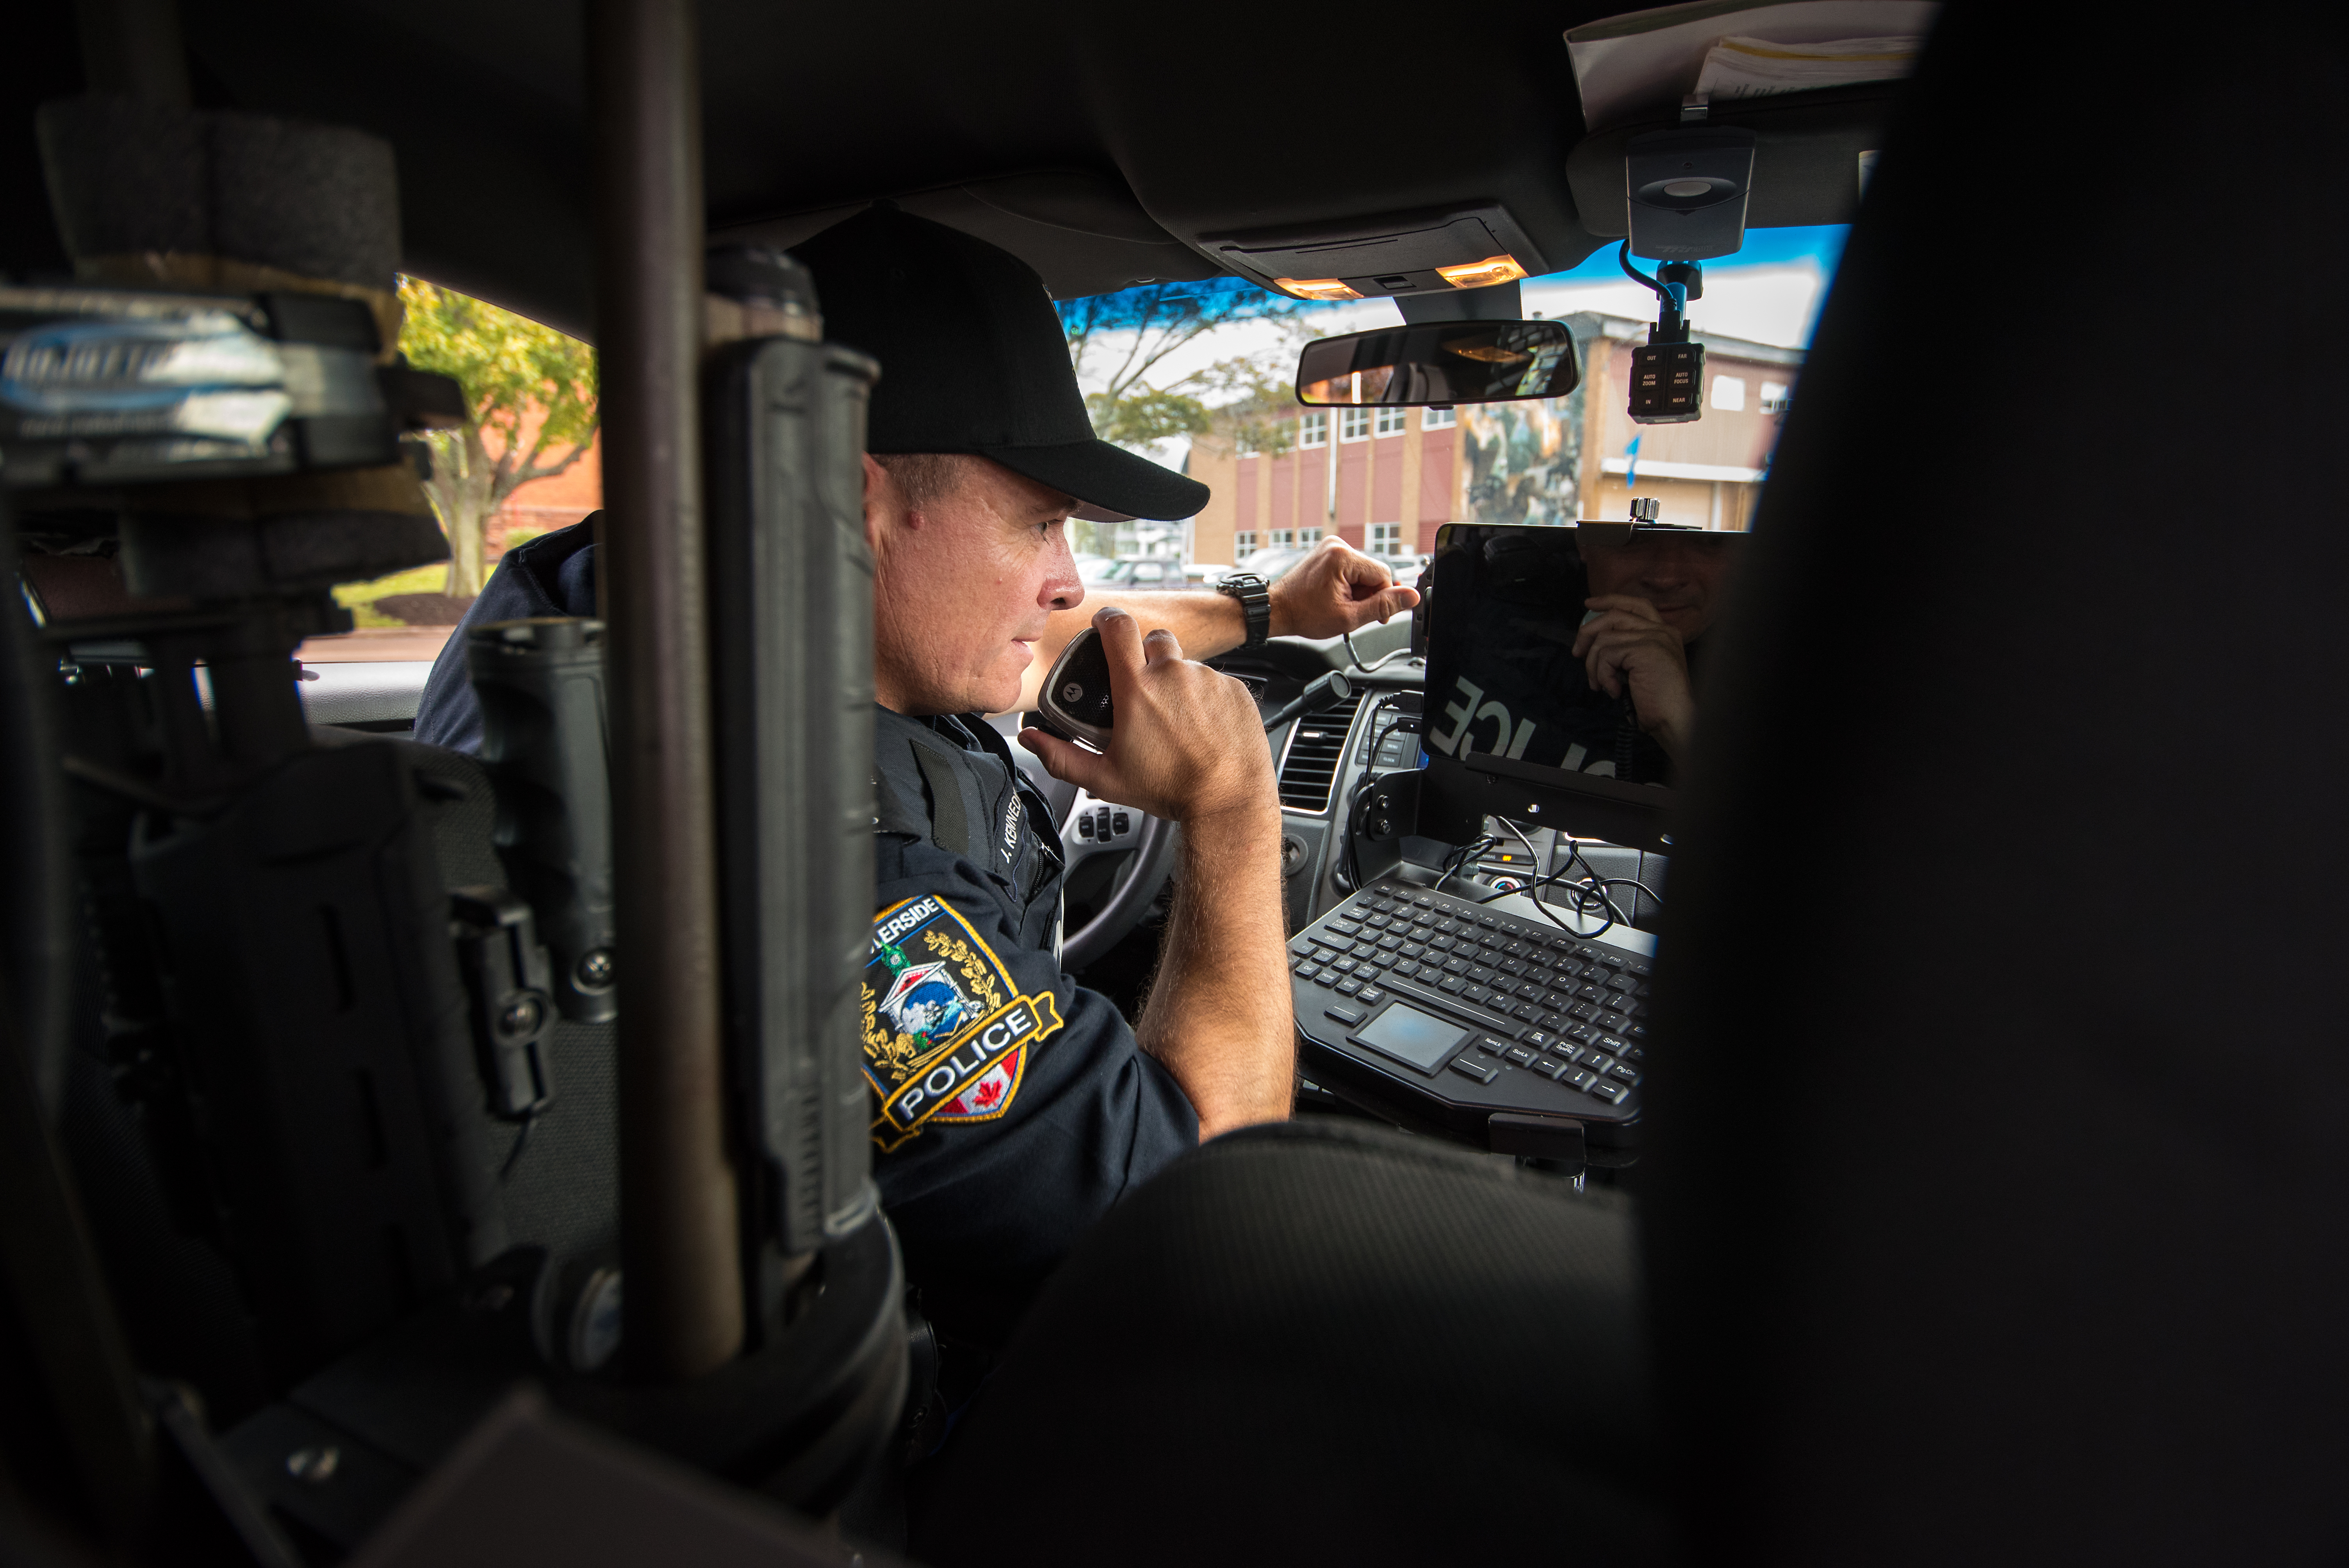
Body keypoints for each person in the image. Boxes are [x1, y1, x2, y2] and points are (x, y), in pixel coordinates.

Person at [412, 205, 1417, 1349]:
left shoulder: (611, 604)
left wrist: (1266, 610)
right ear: (847, 502)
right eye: (1042, 523)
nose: (1067, 575)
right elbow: (1202, 1208)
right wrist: (1231, 803)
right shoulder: (837, 864)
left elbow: (1011, 625)